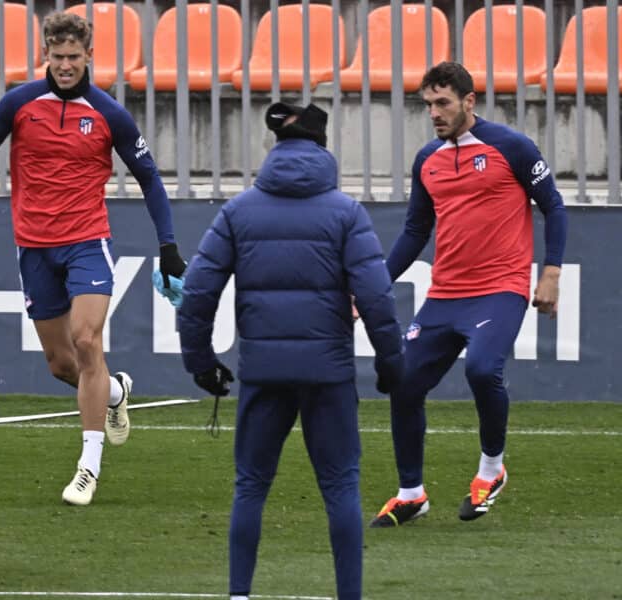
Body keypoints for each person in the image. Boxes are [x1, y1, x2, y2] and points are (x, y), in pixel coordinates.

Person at [0, 11, 186, 506]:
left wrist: (168, 244)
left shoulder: (109, 113)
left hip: (87, 242)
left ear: (88, 56)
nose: (65, 66)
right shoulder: (19, 103)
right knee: (61, 365)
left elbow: (150, 178)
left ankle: (87, 468)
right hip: (33, 245)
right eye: (57, 58)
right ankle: (115, 394)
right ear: (46, 56)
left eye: (74, 58)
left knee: (86, 340)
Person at [177, 103, 404, 600]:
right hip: (328, 374)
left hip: (263, 372)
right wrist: (391, 364)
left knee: (251, 486)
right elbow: (377, 298)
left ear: (274, 147)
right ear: (324, 148)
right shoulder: (347, 212)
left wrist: (200, 362)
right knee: (341, 488)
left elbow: (197, 293)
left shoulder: (238, 211)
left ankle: (239, 594)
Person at [369, 61, 567, 527]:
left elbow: (553, 206)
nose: (435, 113)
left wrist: (551, 273)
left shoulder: (512, 147)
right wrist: (372, 287)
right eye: (429, 105)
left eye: (443, 103)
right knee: (403, 382)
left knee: (481, 369)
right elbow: (416, 229)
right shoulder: (428, 160)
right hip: (445, 294)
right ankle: (411, 493)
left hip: (500, 287)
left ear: (468, 101)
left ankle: (491, 470)